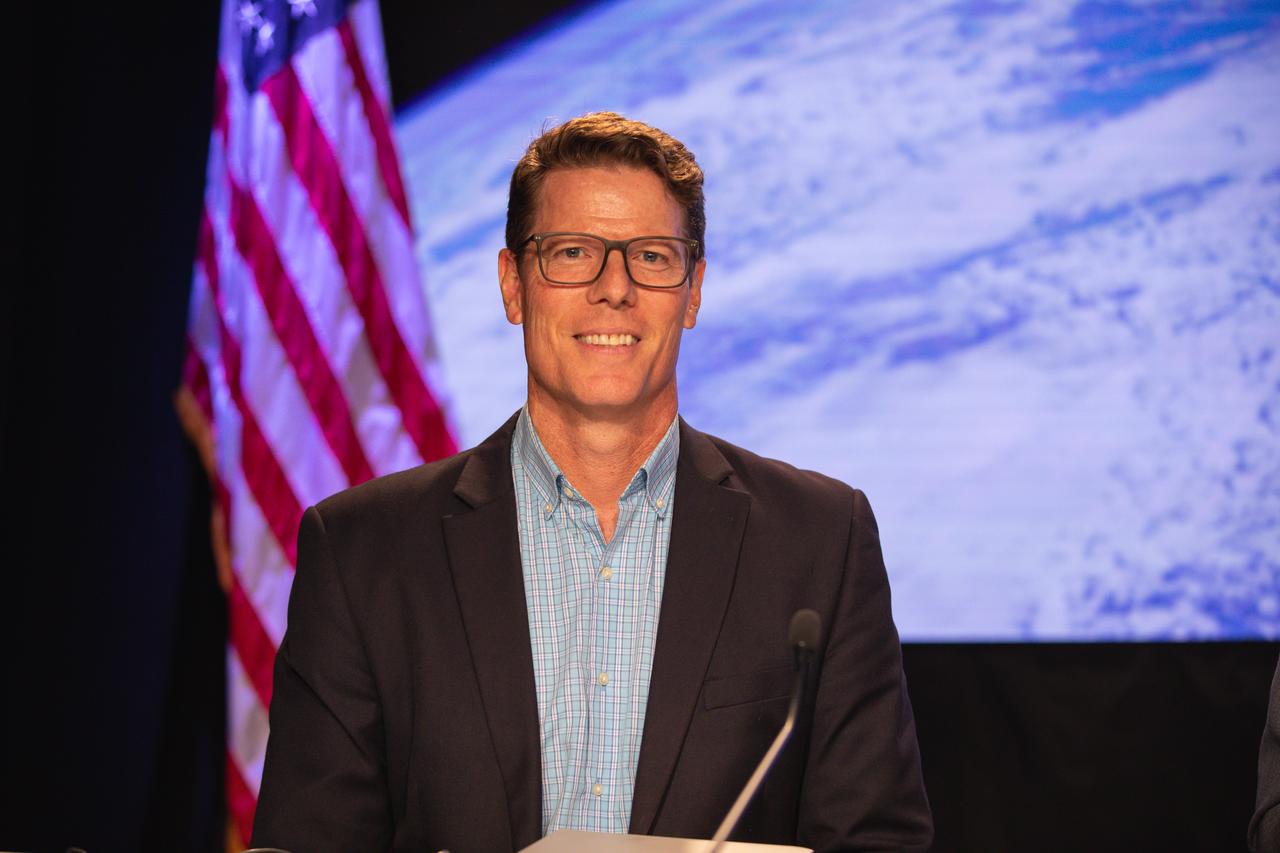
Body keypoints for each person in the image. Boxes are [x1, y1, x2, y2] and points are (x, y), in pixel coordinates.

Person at [252, 112, 932, 852]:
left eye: (651, 256)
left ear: (693, 291)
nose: (615, 289)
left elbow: (876, 840)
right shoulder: (361, 553)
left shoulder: (820, 541)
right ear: (514, 286)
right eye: (572, 253)